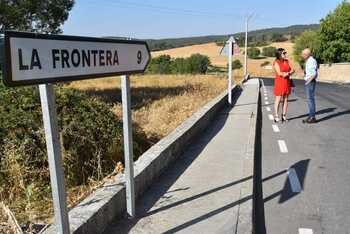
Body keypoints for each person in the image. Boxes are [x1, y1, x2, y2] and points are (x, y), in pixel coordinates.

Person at [273, 48, 295, 123]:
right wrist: (288, 73)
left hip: (287, 82)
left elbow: (291, 70)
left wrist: (288, 74)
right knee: (278, 99)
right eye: (284, 53)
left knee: (286, 99)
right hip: (279, 82)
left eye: (285, 53)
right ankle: (276, 116)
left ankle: (284, 116)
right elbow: (280, 73)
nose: (285, 54)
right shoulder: (276, 62)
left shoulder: (287, 61)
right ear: (279, 54)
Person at [302, 48, 318, 124]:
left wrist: (308, 81)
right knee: (309, 99)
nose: (302, 56)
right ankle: (311, 116)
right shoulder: (309, 61)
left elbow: (314, 73)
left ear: (307, 54)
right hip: (310, 81)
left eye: (303, 54)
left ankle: (312, 117)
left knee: (310, 99)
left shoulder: (311, 61)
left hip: (310, 82)